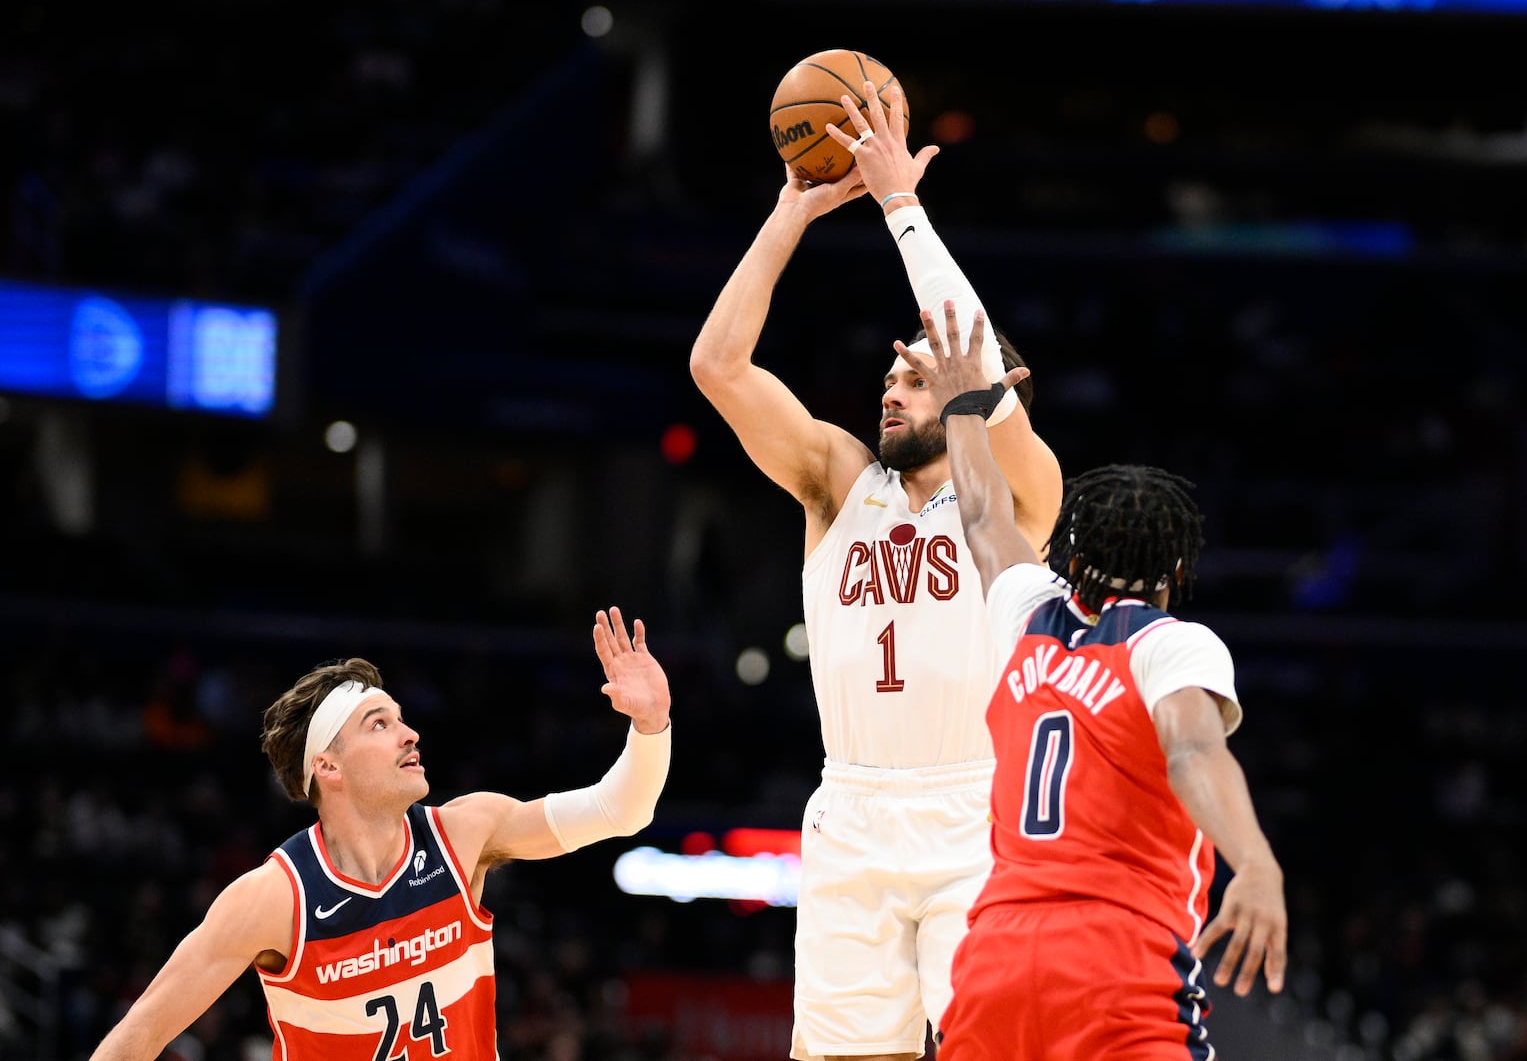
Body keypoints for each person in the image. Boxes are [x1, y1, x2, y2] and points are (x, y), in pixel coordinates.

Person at [689, 79, 1062, 1061]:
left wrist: (902, 205)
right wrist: (788, 212)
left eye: (915, 376)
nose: (890, 389)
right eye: (888, 375)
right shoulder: (835, 480)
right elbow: (718, 369)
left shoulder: (1016, 497)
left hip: (973, 808)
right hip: (848, 805)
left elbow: (969, 354)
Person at [899, 302, 1288, 1059]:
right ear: (1177, 571)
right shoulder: (1168, 644)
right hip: (1118, 958)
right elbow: (1193, 752)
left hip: (995, 958)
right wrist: (1258, 861)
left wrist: (963, 410)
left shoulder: (1025, 610)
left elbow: (981, 513)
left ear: (1068, 553)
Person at [88, 606, 672, 1061]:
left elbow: (619, 810)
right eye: (380, 724)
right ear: (329, 766)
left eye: (402, 718)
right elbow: (139, 1035)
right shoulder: (275, 899)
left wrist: (650, 726)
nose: (410, 733)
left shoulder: (464, 834)